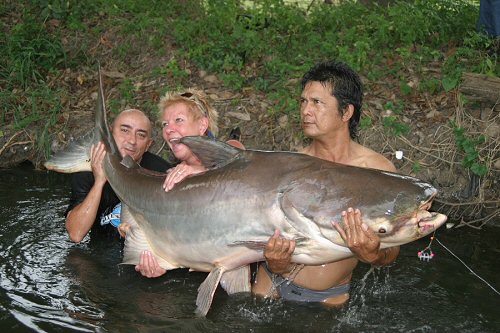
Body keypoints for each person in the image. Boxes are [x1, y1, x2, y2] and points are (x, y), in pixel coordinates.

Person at [252, 60, 400, 306]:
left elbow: (392, 253)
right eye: (303, 101)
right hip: (270, 283)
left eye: (317, 102)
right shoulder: (292, 164)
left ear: (346, 112)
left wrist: (373, 254)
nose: (305, 110)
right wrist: (275, 262)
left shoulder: (376, 171)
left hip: (328, 297)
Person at [132, 89, 244, 277]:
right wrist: (161, 260)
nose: (168, 129)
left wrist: (203, 171)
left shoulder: (228, 157)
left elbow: (240, 156)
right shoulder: (172, 177)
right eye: (165, 124)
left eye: (178, 120)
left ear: (202, 125)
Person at [65, 109, 171, 243]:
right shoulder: (88, 170)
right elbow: (76, 234)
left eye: (141, 135)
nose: (132, 140)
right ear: (110, 134)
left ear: (148, 145)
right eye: (125, 130)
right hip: (100, 253)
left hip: (144, 254)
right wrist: (99, 181)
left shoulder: (161, 173)